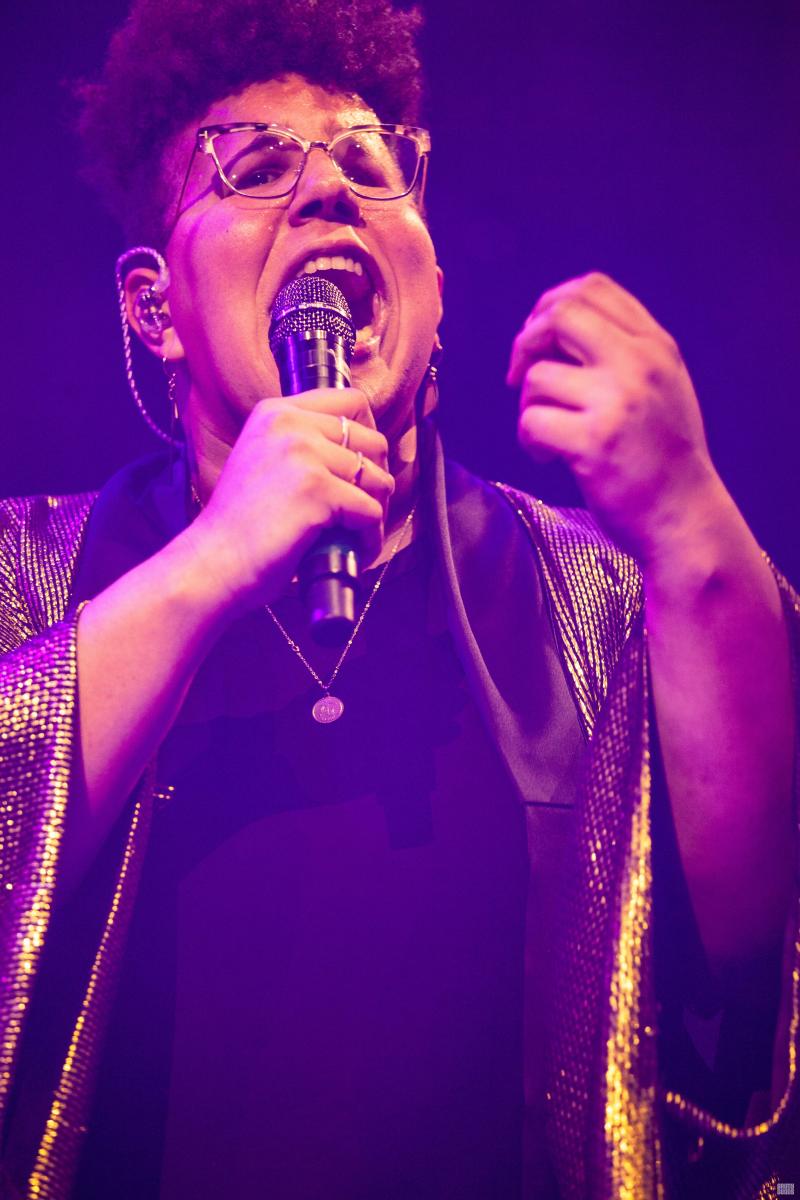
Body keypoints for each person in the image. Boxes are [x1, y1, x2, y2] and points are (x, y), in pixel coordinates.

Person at [0, 1, 797, 1196]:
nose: (328, 192)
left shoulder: (592, 596)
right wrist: (213, 561)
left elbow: (741, 957)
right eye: (257, 168)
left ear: (432, 292)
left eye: (370, 169)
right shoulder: (28, 576)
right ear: (153, 306)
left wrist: (694, 531)